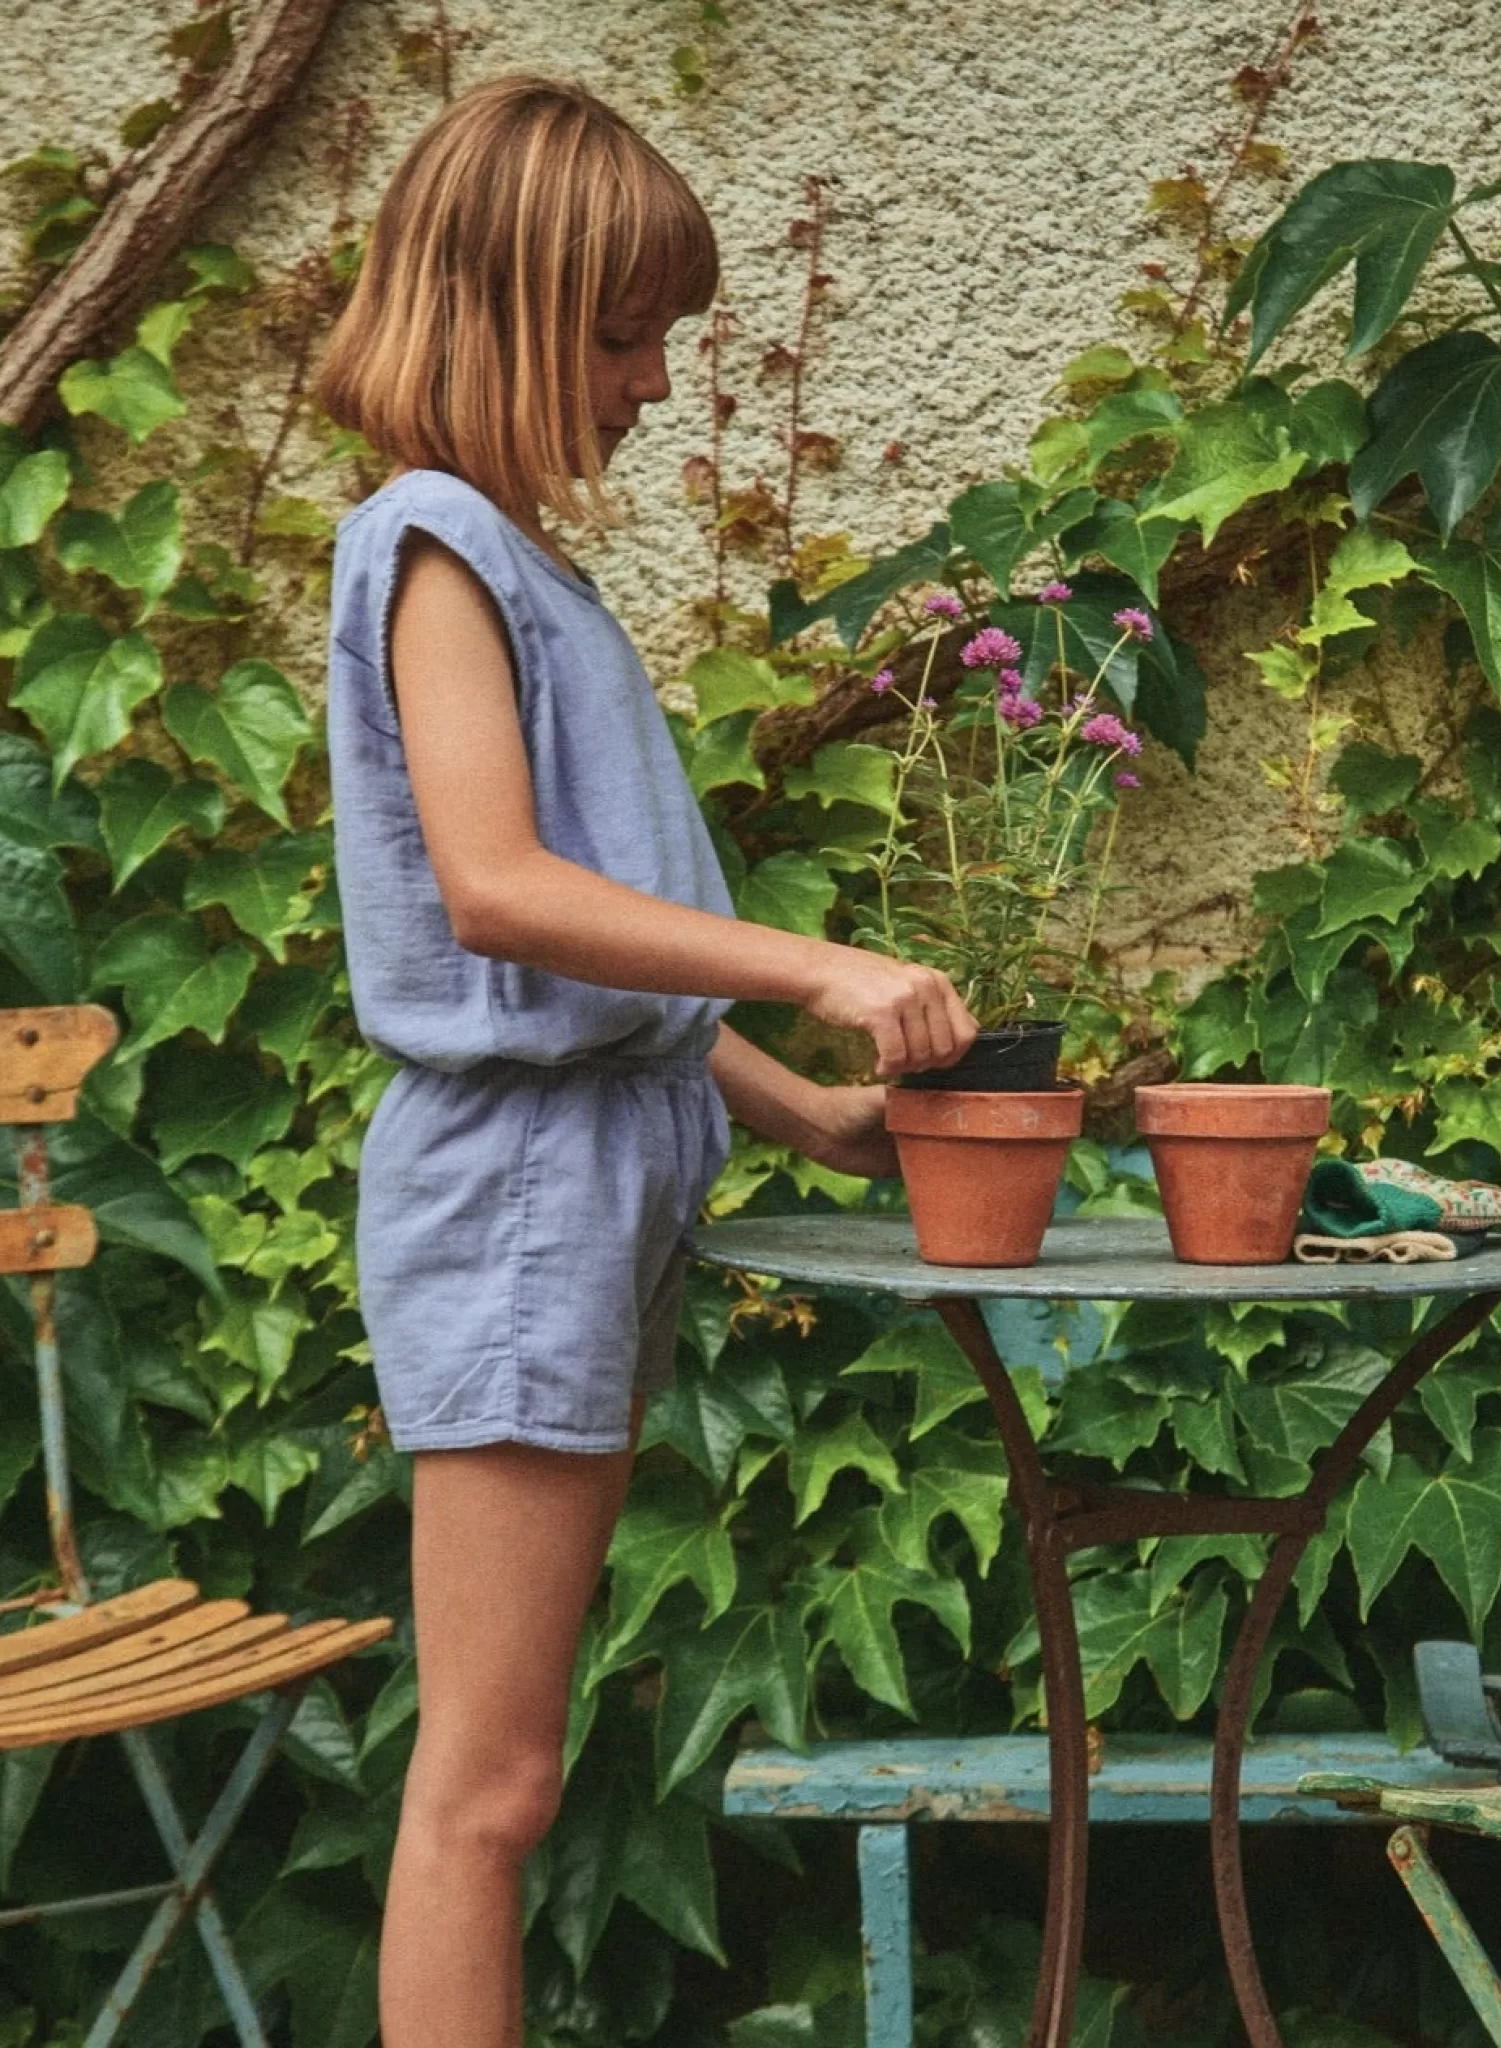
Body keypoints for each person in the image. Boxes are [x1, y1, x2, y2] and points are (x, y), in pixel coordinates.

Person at [317, 76, 976, 2048]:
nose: (654, 385)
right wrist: (822, 965)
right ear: (509, 316)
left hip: (576, 1177)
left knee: (498, 1772)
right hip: (516, 1204)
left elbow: (614, 1015)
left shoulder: (522, 567)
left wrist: (805, 1111)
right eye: (624, 338)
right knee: (487, 1790)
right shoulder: (433, 541)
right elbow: (504, 898)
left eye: (668, 339)